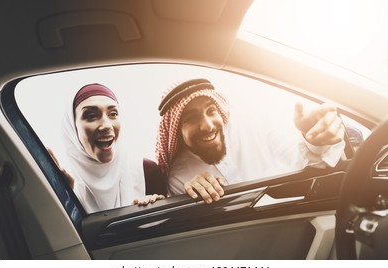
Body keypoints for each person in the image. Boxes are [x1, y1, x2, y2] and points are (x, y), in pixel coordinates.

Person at [156, 78, 346, 204]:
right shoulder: (181, 176)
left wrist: (314, 140)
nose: (207, 126)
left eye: (211, 111)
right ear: (176, 132)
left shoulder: (255, 125)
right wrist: (195, 196)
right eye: (191, 118)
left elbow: (308, 160)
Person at [51, 83, 165, 213]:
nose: (106, 125)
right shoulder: (65, 183)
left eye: (113, 113)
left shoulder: (146, 171)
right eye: (91, 116)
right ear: (72, 127)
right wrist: (66, 199)